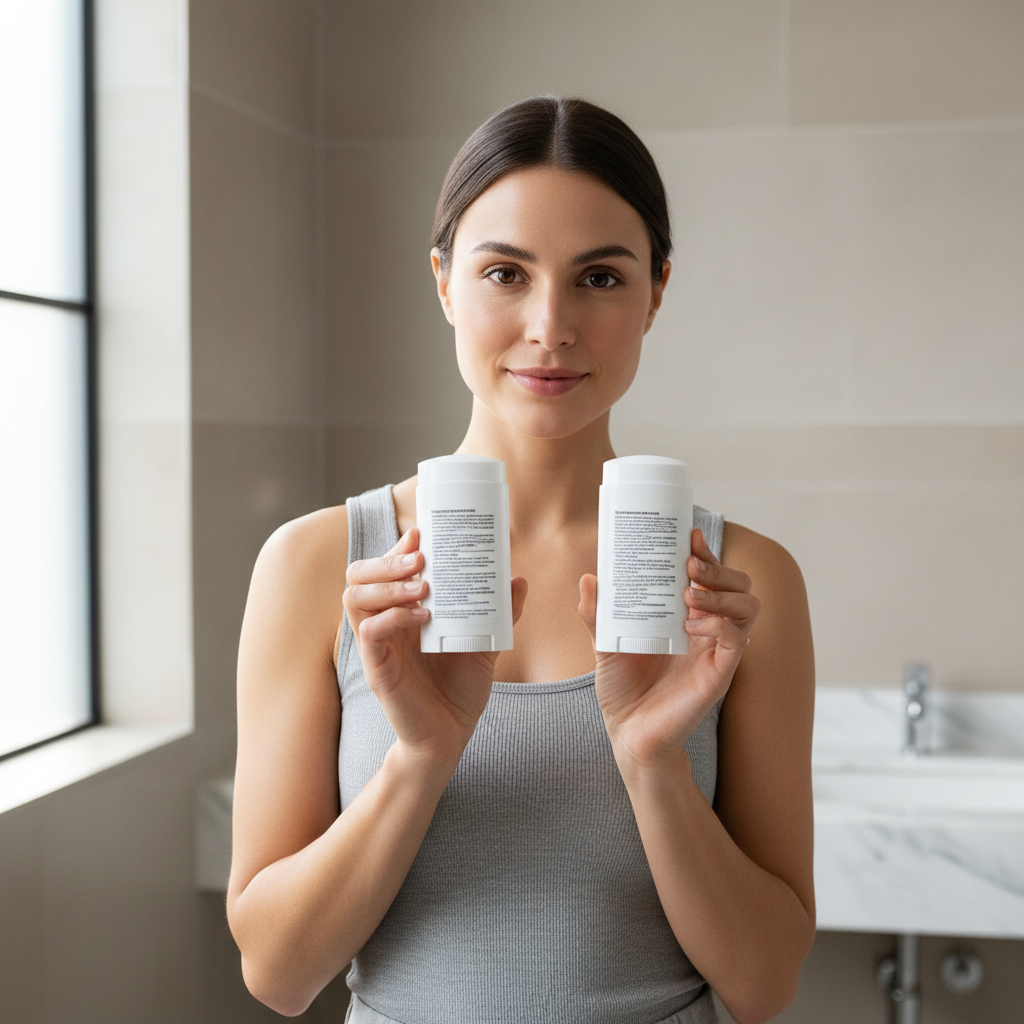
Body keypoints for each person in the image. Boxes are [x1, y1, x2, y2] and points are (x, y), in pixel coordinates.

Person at [227, 96, 816, 1024]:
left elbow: (765, 986)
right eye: (505, 272)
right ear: (444, 283)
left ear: (658, 289)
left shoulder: (740, 585)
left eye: (601, 278)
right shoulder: (316, 566)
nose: (551, 325)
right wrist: (420, 757)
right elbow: (278, 972)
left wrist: (652, 758)